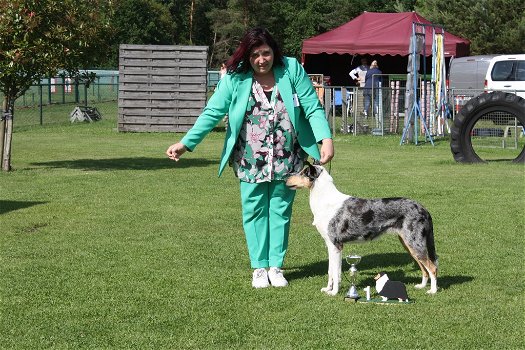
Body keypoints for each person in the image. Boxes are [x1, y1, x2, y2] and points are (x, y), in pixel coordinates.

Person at [166, 28, 334, 289]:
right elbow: (212, 112)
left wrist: (326, 139)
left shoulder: (291, 69)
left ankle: (276, 266)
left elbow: (312, 105)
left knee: (280, 210)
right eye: (255, 54)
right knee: (253, 211)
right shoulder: (236, 77)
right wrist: (186, 143)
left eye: (266, 53)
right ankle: (259, 268)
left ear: (274, 52)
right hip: (249, 158)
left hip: (287, 155)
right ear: (247, 55)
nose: (262, 59)